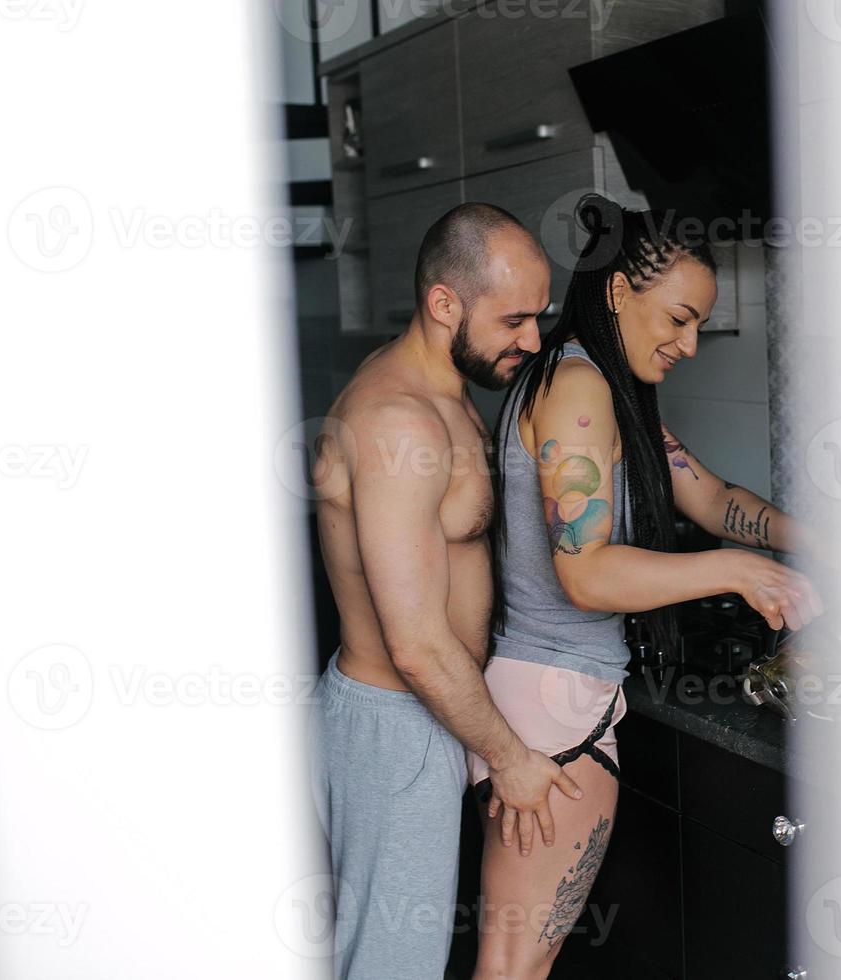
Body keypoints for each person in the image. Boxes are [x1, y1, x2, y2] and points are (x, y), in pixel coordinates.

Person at [469, 196, 825, 977]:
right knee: (514, 967)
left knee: (515, 961)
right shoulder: (578, 393)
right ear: (619, 292)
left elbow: (712, 497)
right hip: (553, 709)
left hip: (553, 698)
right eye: (678, 319)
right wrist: (734, 570)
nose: (690, 344)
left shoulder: (599, 389)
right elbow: (585, 569)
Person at [309, 203, 586, 980]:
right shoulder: (400, 424)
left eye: (540, 317)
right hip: (397, 723)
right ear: (443, 304)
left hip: (423, 718)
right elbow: (416, 642)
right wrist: (511, 756)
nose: (531, 340)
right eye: (515, 320)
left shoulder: (444, 393)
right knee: (392, 965)